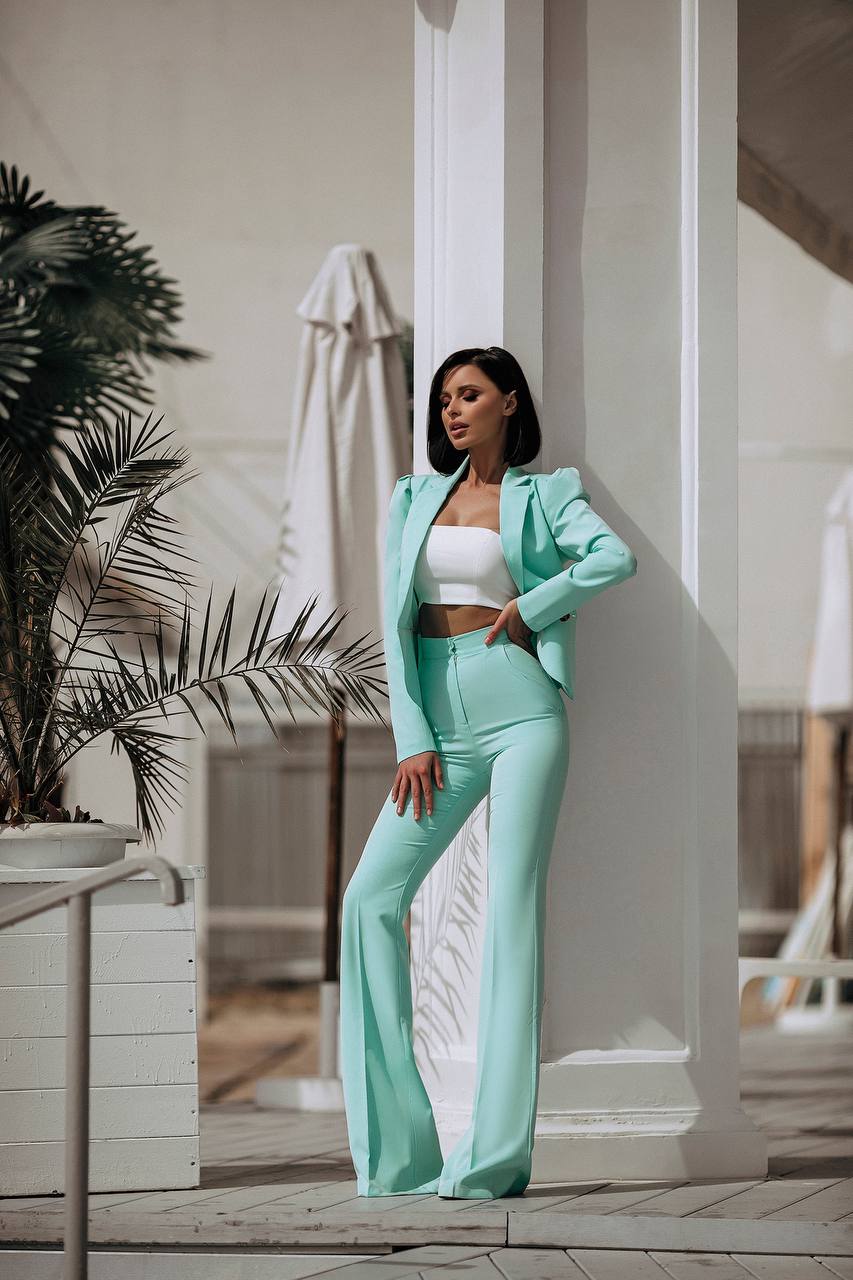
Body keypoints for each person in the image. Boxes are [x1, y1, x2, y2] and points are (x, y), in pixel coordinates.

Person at [339, 345, 637, 1199]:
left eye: (468, 394)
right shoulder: (412, 498)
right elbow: (395, 631)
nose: (452, 411)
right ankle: (400, 1153)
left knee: (510, 917)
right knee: (370, 899)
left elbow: (611, 559)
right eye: (442, 401)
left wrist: (529, 606)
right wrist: (411, 738)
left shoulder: (545, 494)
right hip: (436, 718)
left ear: (509, 401)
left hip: (520, 709)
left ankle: (490, 1157)